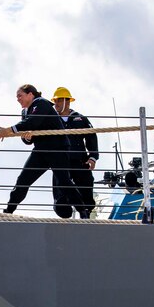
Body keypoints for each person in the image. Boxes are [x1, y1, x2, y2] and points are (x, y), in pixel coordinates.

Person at [0, 84, 86, 217]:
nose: (18, 99)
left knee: (64, 181)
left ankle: (82, 211)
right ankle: (9, 210)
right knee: (23, 180)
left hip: (57, 148)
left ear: (30, 94)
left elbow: (32, 122)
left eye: (20, 95)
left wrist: (7, 130)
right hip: (41, 149)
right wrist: (28, 137)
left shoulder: (41, 103)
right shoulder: (25, 112)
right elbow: (26, 137)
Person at [49, 87, 99, 218]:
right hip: (60, 162)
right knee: (60, 195)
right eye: (55, 101)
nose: (57, 104)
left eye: (59, 100)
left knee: (86, 184)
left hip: (79, 160)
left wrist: (93, 157)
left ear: (68, 101)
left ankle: (85, 212)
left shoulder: (80, 119)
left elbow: (91, 137)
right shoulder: (51, 120)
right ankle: (64, 212)